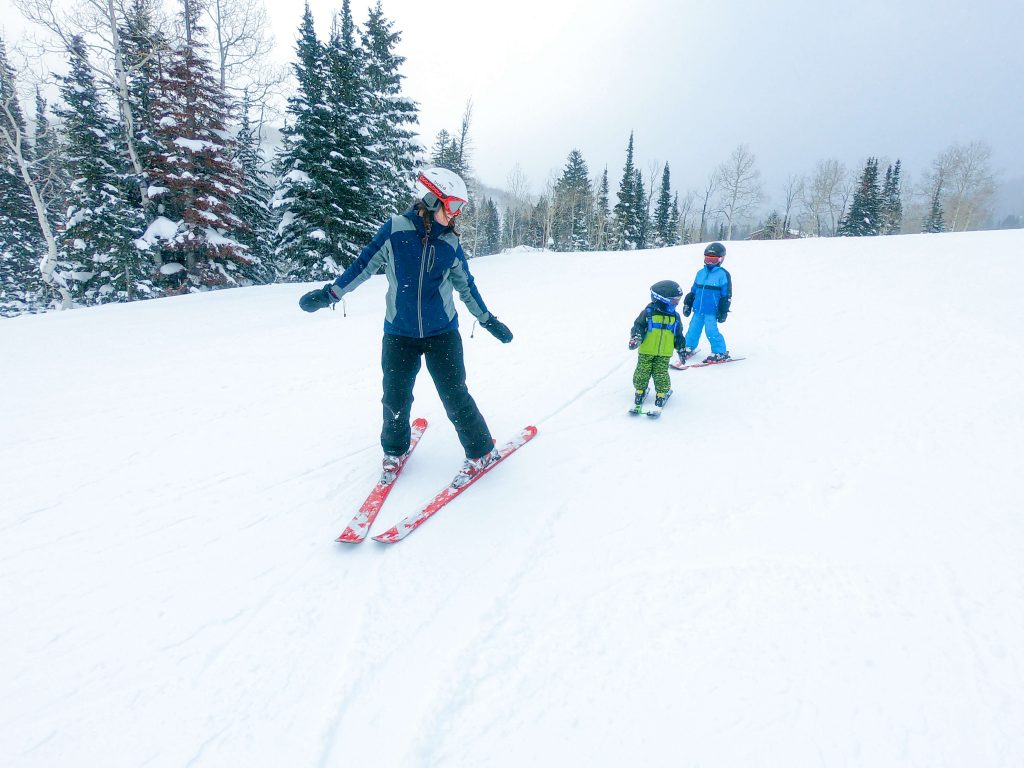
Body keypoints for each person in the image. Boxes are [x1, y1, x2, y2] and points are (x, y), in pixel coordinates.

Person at [298, 167, 513, 488]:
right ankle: (395, 451)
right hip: (399, 334)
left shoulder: (450, 243)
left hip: (443, 334)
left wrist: (488, 320)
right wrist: (331, 293)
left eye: (460, 210)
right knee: (395, 398)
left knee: (455, 395)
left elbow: (466, 286)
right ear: (432, 200)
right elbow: (363, 264)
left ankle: (481, 451)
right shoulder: (396, 230)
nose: (456, 216)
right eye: (453, 207)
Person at [628, 280, 687, 412]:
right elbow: (638, 326)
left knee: (661, 374)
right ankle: (640, 391)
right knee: (642, 371)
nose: (676, 303)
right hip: (646, 351)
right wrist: (636, 338)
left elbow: (678, 335)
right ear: (662, 299)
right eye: (673, 301)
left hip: (664, 353)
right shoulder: (648, 313)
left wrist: (681, 348)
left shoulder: (675, 317)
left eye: (678, 300)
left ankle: (661, 394)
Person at [680, 242, 732, 363]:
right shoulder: (700, 273)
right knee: (693, 329)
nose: (709, 262)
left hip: (712, 310)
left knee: (711, 331)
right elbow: (694, 290)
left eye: (713, 260)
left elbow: (726, 295)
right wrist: (688, 303)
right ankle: (688, 347)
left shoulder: (723, 274)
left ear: (721, 259)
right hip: (698, 308)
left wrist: (723, 310)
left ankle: (720, 352)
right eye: (707, 259)